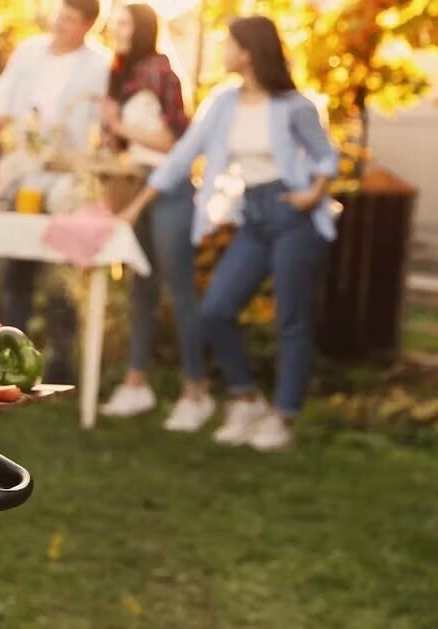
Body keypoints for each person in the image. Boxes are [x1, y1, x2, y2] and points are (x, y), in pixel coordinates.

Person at [120, 15, 338, 451]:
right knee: (216, 310)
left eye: (228, 44)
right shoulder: (222, 103)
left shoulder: (294, 106)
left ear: (249, 52)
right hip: (254, 216)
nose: (222, 50)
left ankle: (284, 416)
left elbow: (325, 157)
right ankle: (247, 399)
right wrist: (137, 205)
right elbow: (182, 156)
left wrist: (313, 193)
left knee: (291, 319)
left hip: (292, 216)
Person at [96, 4, 213, 430]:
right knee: (140, 291)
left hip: (170, 192)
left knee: (179, 292)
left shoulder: (162, 73)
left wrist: (120, 127)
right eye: (116, 23)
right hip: (134, 189)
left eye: (126, 23)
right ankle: (136, 383)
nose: (117, 29)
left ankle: (196, 391)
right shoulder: (122, 75)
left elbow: (172, 142)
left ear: (144, 28)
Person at [0, 0, 110, 383]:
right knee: (16, 269)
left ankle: (60, 366)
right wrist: (0, 116)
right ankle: (7, 360)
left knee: (60, 273)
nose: (60, 24)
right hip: (23, 175)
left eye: (70, 20)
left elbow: (101, 126)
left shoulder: (98, 66)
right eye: (60, 14)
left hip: (65, 181)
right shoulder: (28, 52)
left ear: (87, 26)